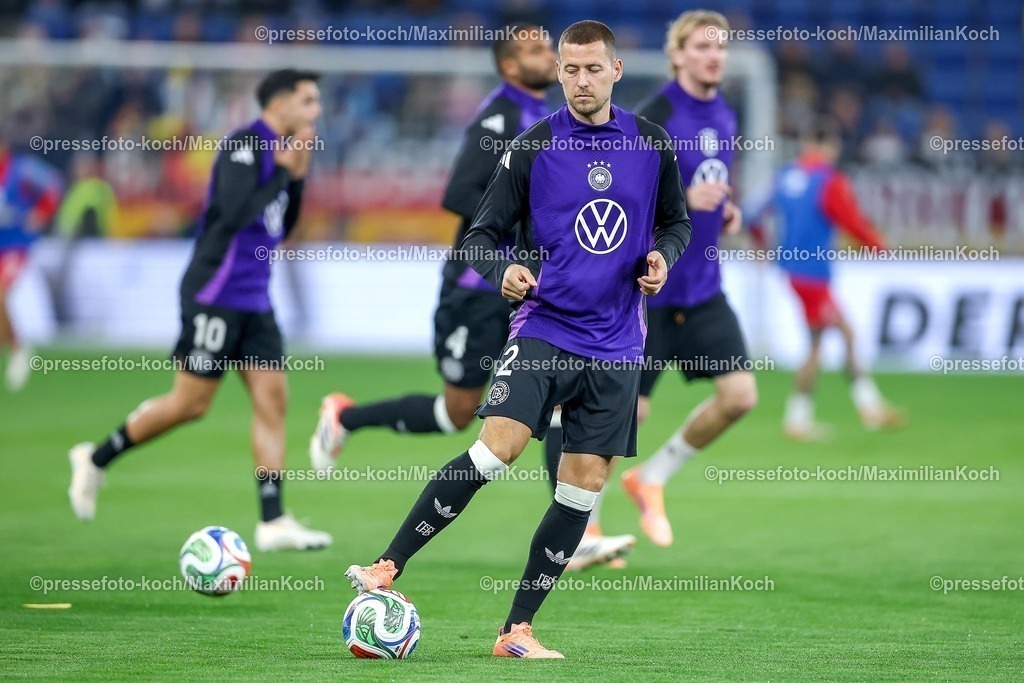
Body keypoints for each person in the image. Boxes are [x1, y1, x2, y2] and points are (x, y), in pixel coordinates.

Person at [343, 21, 691, 658]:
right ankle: (387, 565)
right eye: (569, 69)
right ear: (559, 73)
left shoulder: (652, 144)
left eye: (592, 69)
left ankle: (516, 632)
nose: (580, 81)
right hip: (545, 328)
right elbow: (478, 234)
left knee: (581, 488)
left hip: (616, 345)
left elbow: (677, 222)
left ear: (616, 71)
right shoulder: (532, 147)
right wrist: (502, 269)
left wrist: (664, 257)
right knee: (494, 449)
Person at [67, 69, 332, 551]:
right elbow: (232, 214)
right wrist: (284, 174)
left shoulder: (287, 153)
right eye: (309, 101)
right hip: (214, 293)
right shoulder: (243, 146)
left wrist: (296, 179)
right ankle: (96, 457)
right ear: (281, 103)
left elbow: (283, 225)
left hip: (255, 298)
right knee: (191, 404)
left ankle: (272, 522)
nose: (317, 111)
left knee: (273, 401)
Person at [577, 10, 757, 554]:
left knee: (740, 396)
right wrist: (677, 201)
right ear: (677, 54)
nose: (714, 56)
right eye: (702, 47)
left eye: (720, 48)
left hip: (702, 290)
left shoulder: (724, 113)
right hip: (650, 297)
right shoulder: (654, 114)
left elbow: (713, 186)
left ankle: (651, 478)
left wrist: (728, 213)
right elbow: (614, 199)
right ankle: (586, 528)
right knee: (624, 413)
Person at [775, 120, 907, 439]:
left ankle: (868, 406)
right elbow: (849, 218)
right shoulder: (828, 180)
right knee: (819, 344)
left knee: (842, 334)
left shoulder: (786, 176)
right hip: (814, 275)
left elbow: (756, 213)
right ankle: (799, 419)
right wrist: (877, 245)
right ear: (827, 146)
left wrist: (758, 242)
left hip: (793, 271)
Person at [0, 141, 62, 391]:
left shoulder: (23, 168)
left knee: (1, 293)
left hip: (16, 246)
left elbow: (54, 184)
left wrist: (42, 214)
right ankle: (13, 347)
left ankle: (18, 348)